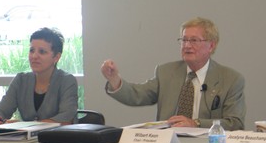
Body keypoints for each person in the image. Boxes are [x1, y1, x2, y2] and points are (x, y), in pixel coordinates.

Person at [101, 17, 246, 130]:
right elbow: (137, 95)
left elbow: (234, 123)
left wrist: (196, 123)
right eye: (184, 40)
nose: (187, 45)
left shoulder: (231, 79)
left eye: (194, 40)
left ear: (211, 45)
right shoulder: (166, 72)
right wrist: (114, 79)